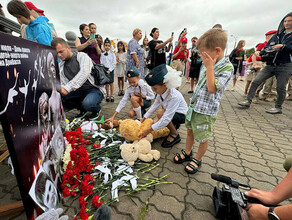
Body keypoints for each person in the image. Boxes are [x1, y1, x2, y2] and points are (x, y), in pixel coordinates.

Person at [173, 28, 233, 174]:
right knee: (190, 131)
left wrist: (210, 68)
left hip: (206, 111)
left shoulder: (226, 67)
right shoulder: (206, 63)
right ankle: (188, 152)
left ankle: (197, 159)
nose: (200, 56)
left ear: (217, 50)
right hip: (195, 106)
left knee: (202, 137)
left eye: (202, 53)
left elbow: (213, 88)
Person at [238, 12, 292, 114]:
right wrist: (260, 52)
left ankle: (278, 107)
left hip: (285, 65)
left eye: (289, 21)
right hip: (270, 65)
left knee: (280, 87)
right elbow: (268, 46)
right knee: (256, 81)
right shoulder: (277, 35)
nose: (287, 23)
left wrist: (282, 46)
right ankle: (248, 101)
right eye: (285, 21)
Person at [51, 37, 104, 121]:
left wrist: (67, 88)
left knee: (89, 103)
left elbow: (84, 73)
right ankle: (83, 109)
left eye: (61, 51)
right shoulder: (61, 65)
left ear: (68, 48)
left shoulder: (82, 56)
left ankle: (96, 109)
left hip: (93, 89)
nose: (59, 55)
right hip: (78, 90)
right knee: (62, 97)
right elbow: (62, 81)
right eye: (56, 53)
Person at [142, 64, 188, 148]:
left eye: (155, 89)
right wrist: (144, 118)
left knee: (161, 113)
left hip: (182, 116)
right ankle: (173, 125)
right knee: (157, 121)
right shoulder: (161, 92)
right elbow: (154, 106)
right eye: (152, 88)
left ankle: (175, 134)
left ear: (164, 85)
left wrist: (148, 130)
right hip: (172, 113)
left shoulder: (174, 96)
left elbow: (166, 117)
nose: (154, 91)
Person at [100, 37, 116, 102]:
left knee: (111, 83)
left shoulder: (112, 54)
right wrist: (104, 70)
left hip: (110, 69)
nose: (107, 47)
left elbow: (114, 63)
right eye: (106, 45)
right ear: (104, 46)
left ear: (110, 46)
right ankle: (108, 95)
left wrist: (110, 70)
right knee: (106, 83)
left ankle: (112, 95)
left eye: (108, 46)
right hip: (104, 69)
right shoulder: (102, 54)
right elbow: (101, 62)